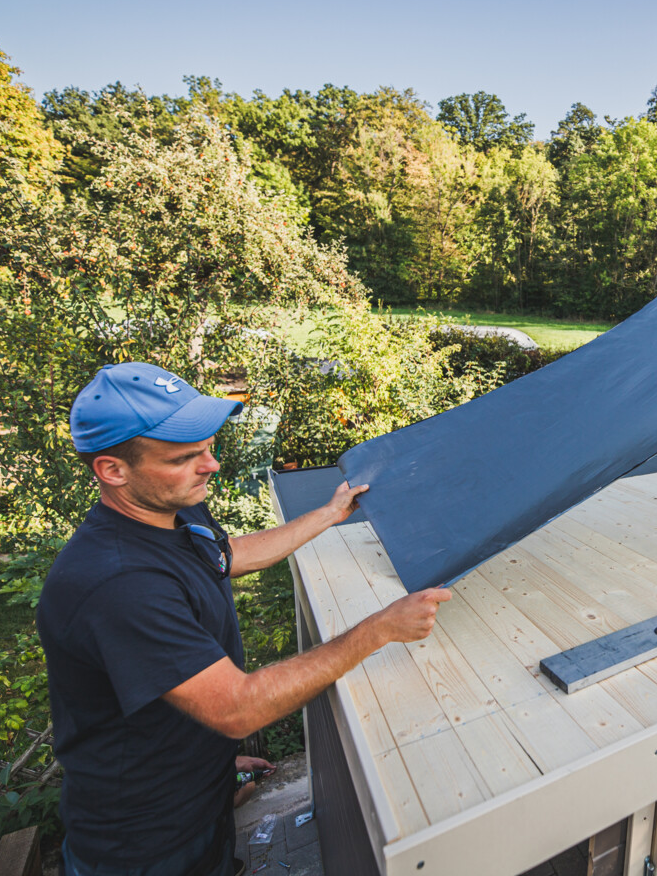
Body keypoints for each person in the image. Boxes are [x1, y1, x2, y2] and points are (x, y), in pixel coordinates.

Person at [38, 362, 451, 876]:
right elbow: (238, 709)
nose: (210, 465)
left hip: (193, 798)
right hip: (143, 845)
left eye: (209, 447)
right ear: (113, 471)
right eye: (185, 456)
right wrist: (379, 630)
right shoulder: (119, 585)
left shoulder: (173, 512)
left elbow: (227, 555)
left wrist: (328, 514)